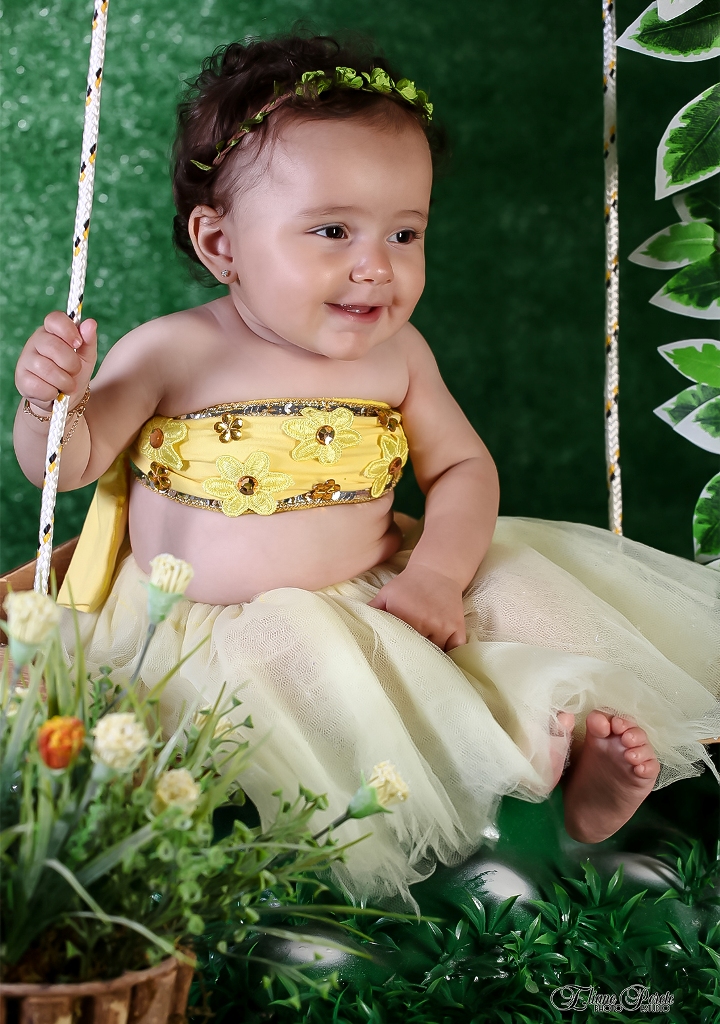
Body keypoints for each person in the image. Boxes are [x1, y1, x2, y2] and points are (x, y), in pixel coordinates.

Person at [13, 34, 720, 906]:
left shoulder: (399, 355)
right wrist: (52, 405)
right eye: (332, 231)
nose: (376, 266)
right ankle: (474, 799)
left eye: (405, 232)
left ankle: (571, 791)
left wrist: (437, 576)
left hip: (380, 597)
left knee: (504, 632)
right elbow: (68, 466)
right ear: (220, 242)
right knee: (294, 720)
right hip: (208, 630)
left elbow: (462, 467)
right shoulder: (171, 351)